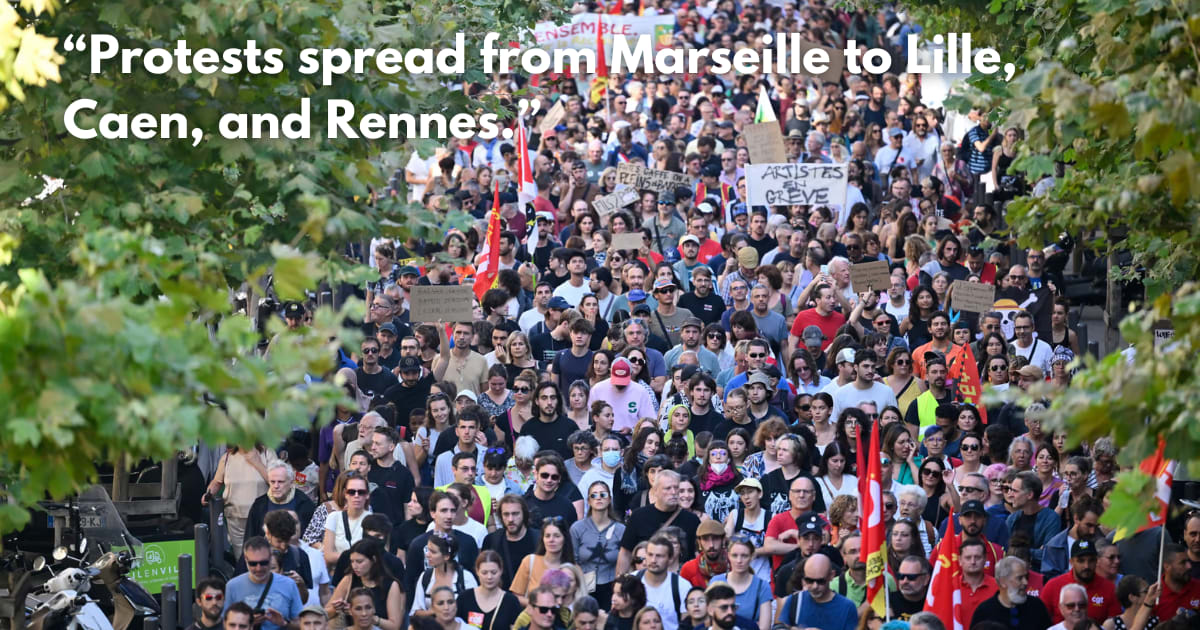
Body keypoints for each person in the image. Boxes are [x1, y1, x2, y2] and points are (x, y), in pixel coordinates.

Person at [618, 470, 702, 575]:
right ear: (656, 491)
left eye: (676, 488)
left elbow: (698, 555)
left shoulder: (692, 520)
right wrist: (620, 581)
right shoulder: (638, 516)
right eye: (668, 488)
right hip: (645, 580)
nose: (673, 492)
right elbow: (625, 553)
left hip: (679, 580)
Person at [223, 537, 304, 630]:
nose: (258, 568)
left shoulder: (289, 584)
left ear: (270, 559)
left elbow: (301, 624)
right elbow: (225, 623)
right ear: (246, 560)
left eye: (263, 563)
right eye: (253, 563)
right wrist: (247, 622)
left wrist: (283, 623)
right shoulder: (232, 586)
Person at [327, 539, 403, 630]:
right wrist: (337, 609)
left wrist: (370, 618)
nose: (354, 566)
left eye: (359, 562)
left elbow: (395, 626)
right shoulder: (349, 579)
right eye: (352, 561)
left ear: (373, 560)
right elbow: (325, 613)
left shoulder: (391, 585)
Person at [571, 480, 625, 608]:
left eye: (603, 495)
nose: (598, 498)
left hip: (612, 587)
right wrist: (582, 586)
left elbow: (625, 560)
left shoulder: (621, 529)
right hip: (584, 587)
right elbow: (572, 559)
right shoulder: (577, 528)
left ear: (610, 499)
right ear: (588, 501)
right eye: (593, 495)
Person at [244, 464, 317, 557]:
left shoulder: (305, 504)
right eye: (272, 482)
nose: (276, 486)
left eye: (280, 482)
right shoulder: (259, 505)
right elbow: (250, 538)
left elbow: (312, 539)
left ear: (291, 483)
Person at [1041, 540, 1120, 625]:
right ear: (1071, 562)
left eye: (1091, 560)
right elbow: (1040, 621)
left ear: (1097, 561)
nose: (1086, 566)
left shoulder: (1109, 588)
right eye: (1081, 561)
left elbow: (1114, 625)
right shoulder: (1053, 586)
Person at [776, 553, 859, 630]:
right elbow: (779, 626)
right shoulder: (794, 601)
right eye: (809, 581)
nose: (815, 586)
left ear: (831, 576)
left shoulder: (847, 607)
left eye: (820, 581)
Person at [971, 557, 1053, 630]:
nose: (1025, 582)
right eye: (1019, 578)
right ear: (1003, 581)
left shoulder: (1037, 606)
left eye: (1026, 577)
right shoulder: (984, 611)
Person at [709, 537, 772, 630]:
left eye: (744, 556)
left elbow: (764, 627)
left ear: (752, 556)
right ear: (728, 556)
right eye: (735, 555)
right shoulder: (716, 582)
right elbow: (709, 619)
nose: (739, 560)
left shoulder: (762, 586)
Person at [1006, 472, 1065, 568]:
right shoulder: (1012, 519)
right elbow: (1005, 550)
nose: (1010, 495)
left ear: (1029, 495)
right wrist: (1034, 551)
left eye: (1015, 491)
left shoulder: (1051, 519)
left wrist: (1017, 551)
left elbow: (1048, 554)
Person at [512, 517, 575, 606]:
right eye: (547, 536)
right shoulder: (529, 561)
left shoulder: (572, 569)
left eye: (556, 536)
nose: (551, 540)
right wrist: (538, 606)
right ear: (542, 539)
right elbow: (516, 596)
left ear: (565, 539)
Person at [637, 534, 693, 630]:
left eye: (659, 556)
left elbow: (687, 623)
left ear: (670, 559)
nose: (653, 560)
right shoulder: (632, 580)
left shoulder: (682, 586)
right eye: (650, 555)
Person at [457, 551, 523, 630]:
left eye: (494, 572)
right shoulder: (464, 598)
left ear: (501, 571)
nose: (489, 577)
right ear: (477, 572)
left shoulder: (511, 601)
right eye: (484, 573)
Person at [1154, 543, 1200, 621]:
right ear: (1167, 566)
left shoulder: (1198, 587)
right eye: (1183, 563)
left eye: (1188, 561)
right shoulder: (1154, 597)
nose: (1189, 566)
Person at [959, 538, 999, 626]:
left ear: (985, 559)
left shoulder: (998, 587)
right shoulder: (950, 587)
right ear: (960, 560)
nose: (973, 562)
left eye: (977, 557)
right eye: (968, 558)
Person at [680, 519, 729, 589]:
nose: (711, 545)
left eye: (716, 539)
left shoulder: (734, 564)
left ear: (723, 540)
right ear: (699, 542)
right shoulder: (689, 569)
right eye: (706, 539)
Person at [888, 555, 931, 621]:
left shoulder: (935, 602)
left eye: (911, 577)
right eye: (901, 576)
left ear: (926, 579)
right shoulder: (888, 602)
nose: (905, 581)